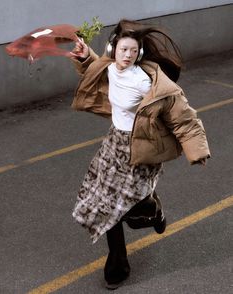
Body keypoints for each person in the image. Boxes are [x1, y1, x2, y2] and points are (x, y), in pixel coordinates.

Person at [70, 19, 210, 289]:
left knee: (129, 208)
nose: (127, 56)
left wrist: (197, 150)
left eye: (133, 51)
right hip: (114, 145)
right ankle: (117, 265)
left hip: (142, 147)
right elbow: (94, 71)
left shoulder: (147, 83)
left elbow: (181, 117)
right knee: (107, 205)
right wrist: (86, 55)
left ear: (140, 53)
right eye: (123, 50)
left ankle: (152, 209)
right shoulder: (109, 68)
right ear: (113, 48)